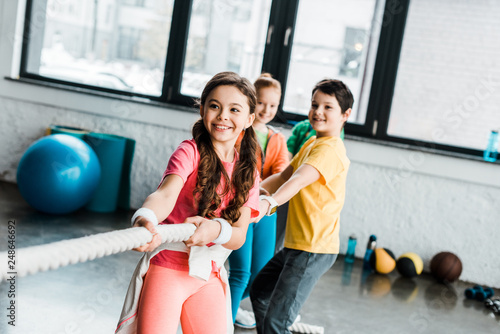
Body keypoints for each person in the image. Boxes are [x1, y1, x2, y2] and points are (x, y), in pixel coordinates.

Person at [115, 72, 260, 334]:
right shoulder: (189, 151)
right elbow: (166, 194)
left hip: (208, 274)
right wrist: (145, 216)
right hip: (168, 266)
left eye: (234, 109)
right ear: (203, 109)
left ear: (249, 119)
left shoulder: (249, 172)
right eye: (214, 106)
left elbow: (238, 237)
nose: (223, 115)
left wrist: (215, 229)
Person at [250, 78, 353, 333]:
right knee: (260, 292)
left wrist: (269, 203)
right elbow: (284, 176)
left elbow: (297, 181)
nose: (318, 112)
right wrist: (251, 192)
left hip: (313, 249)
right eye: (314, 104)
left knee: (277, 320)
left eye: (328, 107)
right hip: (298, 245)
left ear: (345, 114)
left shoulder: (330, 150)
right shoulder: (312, 143)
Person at [228, 73, 289, 329]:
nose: (267, 110)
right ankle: (223, 320)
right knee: (241, 275)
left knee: (259, 277)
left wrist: (265, 191)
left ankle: (218, 300)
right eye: (262, 103)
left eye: (273, 105)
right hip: (240, 208)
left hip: (266, 211)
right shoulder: (239, 132)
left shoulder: (278, 139)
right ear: (252, 102)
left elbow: (282, 172)